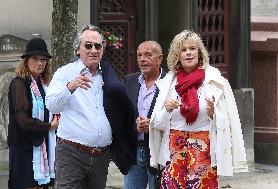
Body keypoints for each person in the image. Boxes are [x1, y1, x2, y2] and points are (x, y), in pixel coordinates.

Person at [149, 30, 248, 189]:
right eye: (183, 49)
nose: (188, 53)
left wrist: (213, 115)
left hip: (204, 152)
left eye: (192, 48)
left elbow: (228, 123)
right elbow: (156, 125)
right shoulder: (168, 83)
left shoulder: (215, 81)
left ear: (200, 53)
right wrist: (166, 110)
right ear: (177, 55)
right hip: (173, 153)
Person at [45, 24, 137, 189]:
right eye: (88, 45)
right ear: (78, 49)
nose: (93, 50)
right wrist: (70, 87)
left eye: (98, 46)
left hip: (101, 155)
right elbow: (51, 105)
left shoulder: (108, 74)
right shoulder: (65, 72)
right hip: (71, 153)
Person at [8, 37, 59, 189]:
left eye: (43, 59)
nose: (40, 63)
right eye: (35, 58)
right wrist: (49, 126)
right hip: (24, 148)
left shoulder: (43, 86)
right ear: (26, 60)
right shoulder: (19, 83)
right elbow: (22, 120)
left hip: (42, 144)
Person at [123, 41, 166, 189]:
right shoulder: (129, 81)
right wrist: (132, 123)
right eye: (139, 55)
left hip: (159, 151)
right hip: (134, 151)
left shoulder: (170, 83)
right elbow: (122, 114)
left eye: (148, 54)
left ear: (159, 59)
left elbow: (176, 118)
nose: (142, 59)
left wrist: (153, 125)